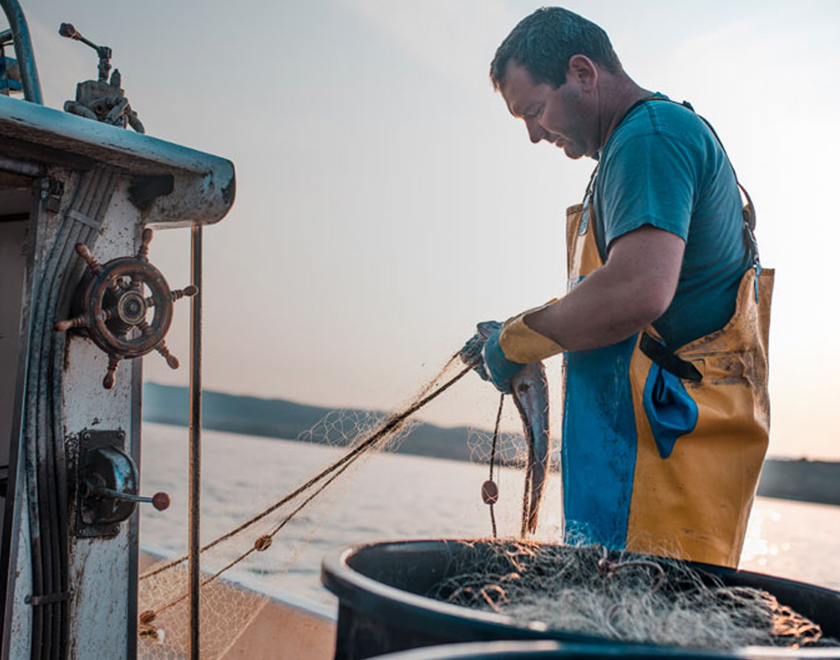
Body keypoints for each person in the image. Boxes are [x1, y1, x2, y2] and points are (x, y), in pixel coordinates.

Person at [465, 7, 773, 568]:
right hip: (629, 480)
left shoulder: (650, 140)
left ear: (583, 72)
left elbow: (636, 290)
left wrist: (514, 343)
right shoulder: (637, 148)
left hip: (658, 487)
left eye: (535, 110)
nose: (535, 135)